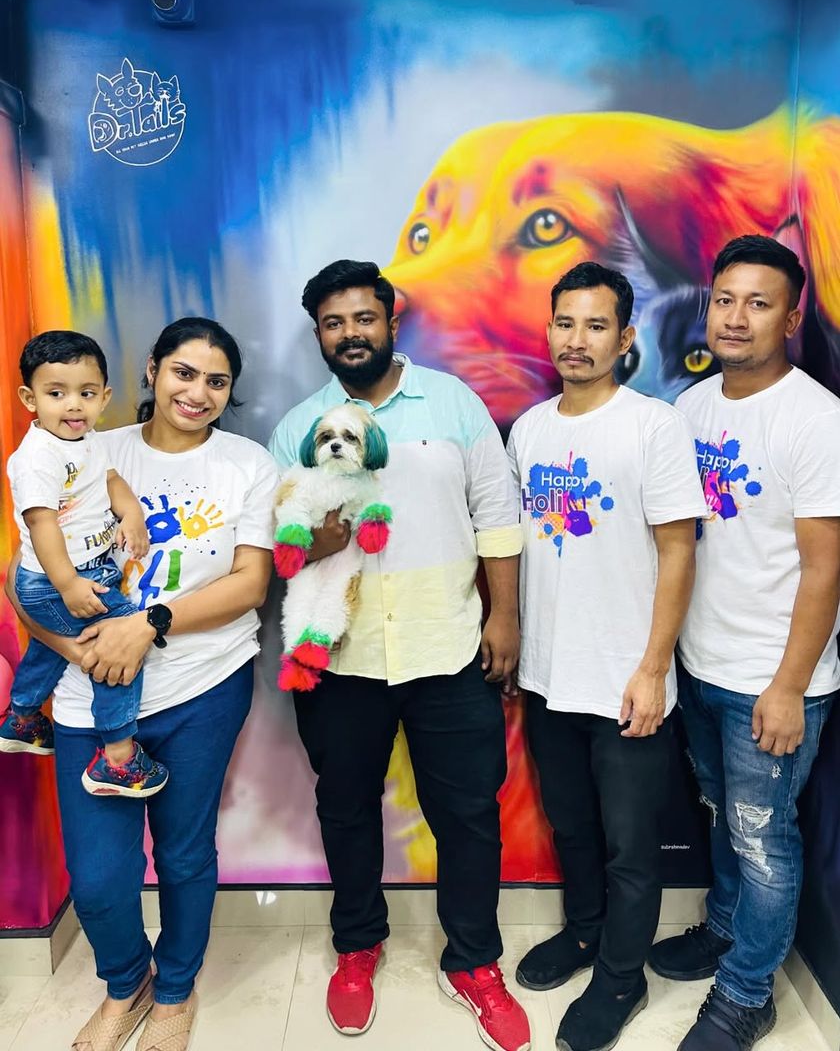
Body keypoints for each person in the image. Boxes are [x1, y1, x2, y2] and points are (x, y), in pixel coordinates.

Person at [269, 259, 531, 1051]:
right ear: (320, 334)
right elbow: (278, 541)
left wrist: (505, 617)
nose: (351, 334)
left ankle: (474, 961)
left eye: (363, 318)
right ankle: (358, 947)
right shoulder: (299, 426)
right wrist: (316, 539)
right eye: (334, 323)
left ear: (391, 319)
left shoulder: (453, 403)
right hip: (340, 660)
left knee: (468, 814)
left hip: (447, 645)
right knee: (345, 808)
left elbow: (497, 514)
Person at [6, 317, 278, 1051]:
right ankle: (126, 986)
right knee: (98, 877)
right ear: (153, 370)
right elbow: (23, 576)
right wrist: (79, 648)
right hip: (86, 694)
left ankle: (175, 990)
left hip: (203, 687)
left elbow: (251, 584)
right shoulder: (88, 445)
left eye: (217, 381)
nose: (198, 392)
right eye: (184, 372)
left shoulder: (247, 463)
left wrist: (146, 626)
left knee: (185, 854)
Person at [507, 262, 706, 1051]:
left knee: (630, 848)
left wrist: (654, 669)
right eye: (566, 323)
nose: (577, 340)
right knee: (573, 827)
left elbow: (680, 551)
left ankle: (623, 977)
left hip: (627, 680)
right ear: (548, 329)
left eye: (596, 326)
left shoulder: (653, 426)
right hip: (549, 676)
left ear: (624, 339)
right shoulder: (529, 429)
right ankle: (586, 933)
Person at [649, 236, 840, 1051]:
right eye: (724, 299)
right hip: (700, 663)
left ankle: (747, 993)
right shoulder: (691, 409)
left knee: (763, 839)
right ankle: (726, 929)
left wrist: (789, 687)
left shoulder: (816, 420)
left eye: (758, 303)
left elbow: (826, 568)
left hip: (771, 676)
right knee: (723, 814)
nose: (735, 317)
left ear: (791, 319)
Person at [0, 329, 169, 798]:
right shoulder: (38, 458)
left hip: (87, 569)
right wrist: (69, 584)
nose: (73, 405)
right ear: (30, 399)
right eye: (56, 394)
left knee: (53, 646)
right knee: (119, 640)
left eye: (86, 394)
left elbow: (110, 479)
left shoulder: (87, 439)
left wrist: (131, 515)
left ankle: (22, 717)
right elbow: (41, 525)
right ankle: (118, 756)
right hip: (55, 581)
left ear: (104, 397)